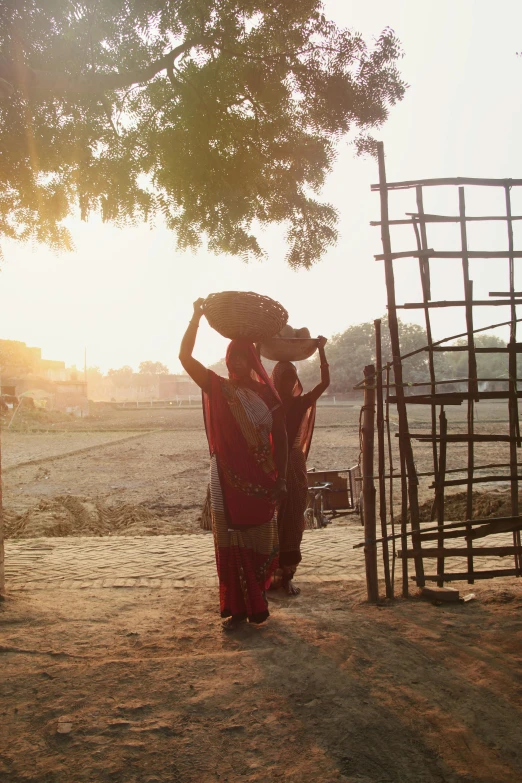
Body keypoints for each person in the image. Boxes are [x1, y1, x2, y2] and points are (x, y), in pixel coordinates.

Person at [179, 299, 288, 630]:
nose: (238, 363)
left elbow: (281, 439)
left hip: (263, 481)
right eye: (233, 357)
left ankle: (257, 598)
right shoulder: (218, 388)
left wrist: (281, 478)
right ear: (227, 361)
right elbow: (185, 358)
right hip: (228, 481)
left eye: (244, 357)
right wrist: (195, 317)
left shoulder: (268, 397)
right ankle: (240, 606)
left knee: (259, 538)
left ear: (253, 361)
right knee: (233, 537)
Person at [270, 337, 330, 595]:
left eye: (292, 378)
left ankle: (286, 576)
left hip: (293, 465)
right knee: (269, 521)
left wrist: (322, 351)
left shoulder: (299, 402)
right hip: (270, 464)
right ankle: (267, 576)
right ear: (275, 380)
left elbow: (325, 383)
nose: (289, 383)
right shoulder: (266, 402)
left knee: (293, 518)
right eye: (284, 378)